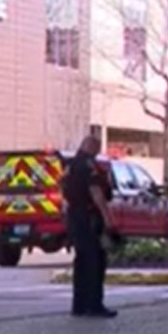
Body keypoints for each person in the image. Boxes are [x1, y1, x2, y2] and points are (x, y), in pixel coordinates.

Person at [62, 135, 118, 318]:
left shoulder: (69, 166)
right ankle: (94, 305)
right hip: (89, 218)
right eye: (97, 147)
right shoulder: (89, 166)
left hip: (74, 217)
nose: (98, 152)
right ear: (92, 147)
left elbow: (64, 195)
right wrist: (107, 219)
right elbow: (97, 194)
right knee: (95, 261)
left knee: (81, 261)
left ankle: (78, 305)